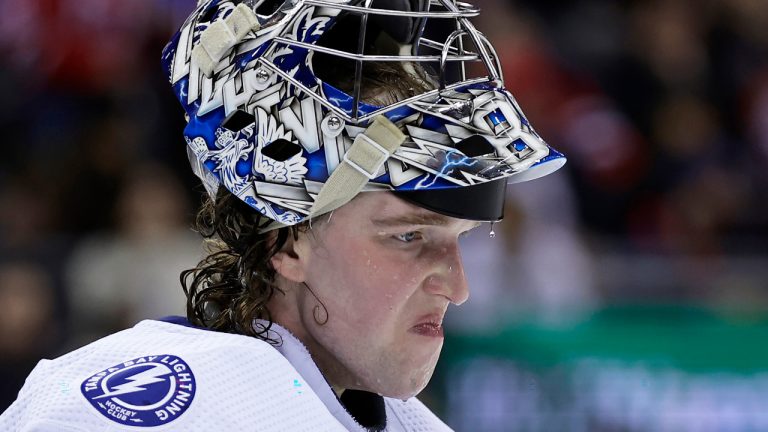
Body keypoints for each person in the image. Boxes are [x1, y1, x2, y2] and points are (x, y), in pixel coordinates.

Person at [0, 0, 566, 430]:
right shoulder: (155, 407)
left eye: (461, 237)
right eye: (409, 236)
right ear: (288, 243)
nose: (458, 287)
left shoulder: (401, 417)